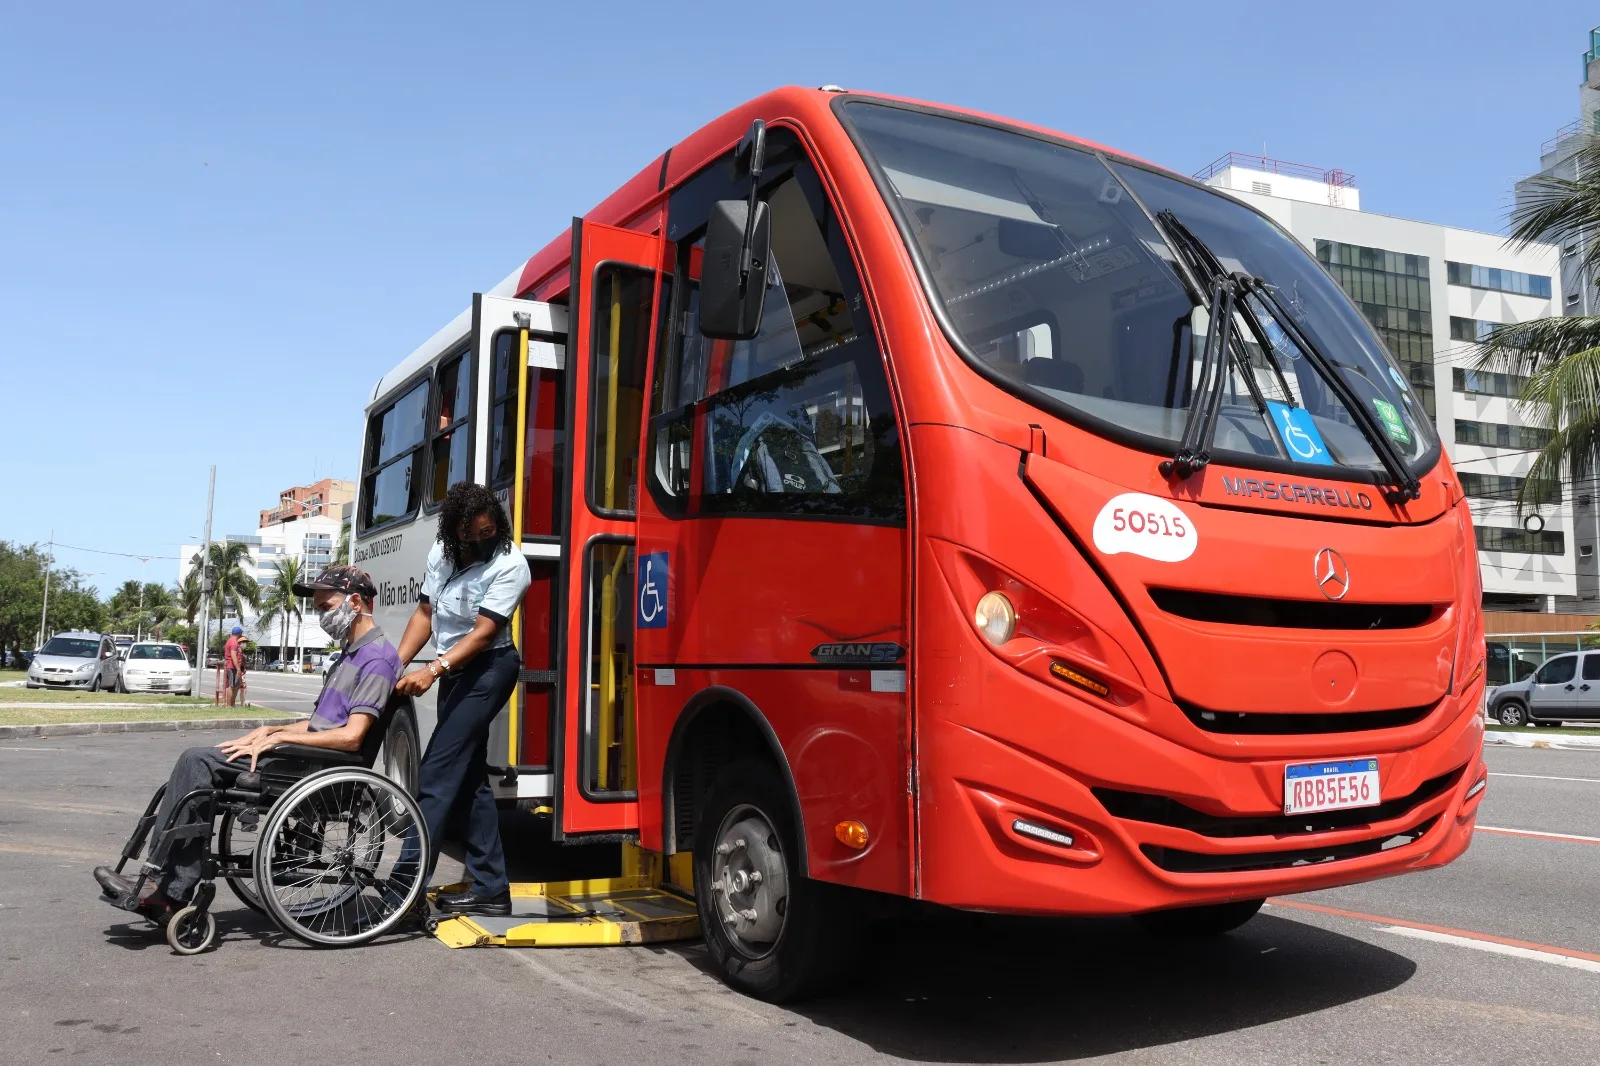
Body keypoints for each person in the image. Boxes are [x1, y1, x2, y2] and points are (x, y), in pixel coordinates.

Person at [93, 566, 401, 916]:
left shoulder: (376, 658)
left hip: (318, 770)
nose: (321, 615)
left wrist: (278, 739)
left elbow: (351, 736)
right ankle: (162, 879)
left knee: (198, 761)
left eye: (325, 606)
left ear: (355, 601)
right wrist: (269, 731)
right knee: (199, 763)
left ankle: (170, 889)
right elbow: (320, 723)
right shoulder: (350, 653)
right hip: (306, 758)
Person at [395, 481, 529, 917]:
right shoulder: (442, 555)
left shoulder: (511, 565)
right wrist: (393, 665)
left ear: (498, 525)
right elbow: (426, 614)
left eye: (488, 532)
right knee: (469, 780)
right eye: (470, 536)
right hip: (453, 667)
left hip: (489, 669)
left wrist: (433, 670)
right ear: (454, 533)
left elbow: (485, 632)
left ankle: (403, 890)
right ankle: (491, 888)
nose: (480, 543)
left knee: (435, 774)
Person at [223, 625, 246, 706]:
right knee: (232, 686)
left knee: (236, 685)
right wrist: (238, 669)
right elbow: (233, 656)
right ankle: (229, 705)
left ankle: (232, 704)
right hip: (232, 667)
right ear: (239, 634)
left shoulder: (232, 641)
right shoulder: (233, 642)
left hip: (234, 667)